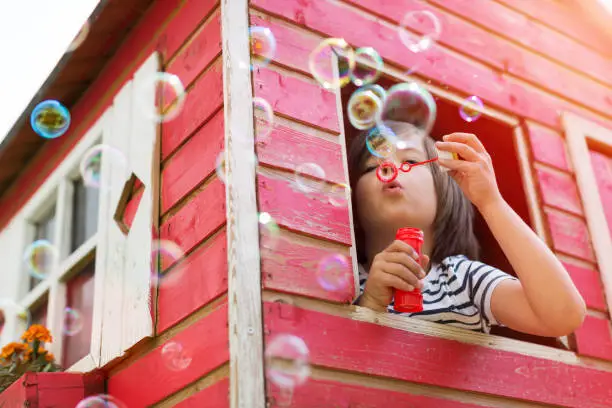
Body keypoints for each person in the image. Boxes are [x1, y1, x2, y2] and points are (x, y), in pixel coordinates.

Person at [349, 120, 586, 335]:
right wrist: (370, 304)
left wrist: (490, 201)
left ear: (444, 192)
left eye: (410, 161)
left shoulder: (463, 280)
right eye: (372, 166)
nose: (389, 167)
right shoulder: (350, 281)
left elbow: (562, 317)